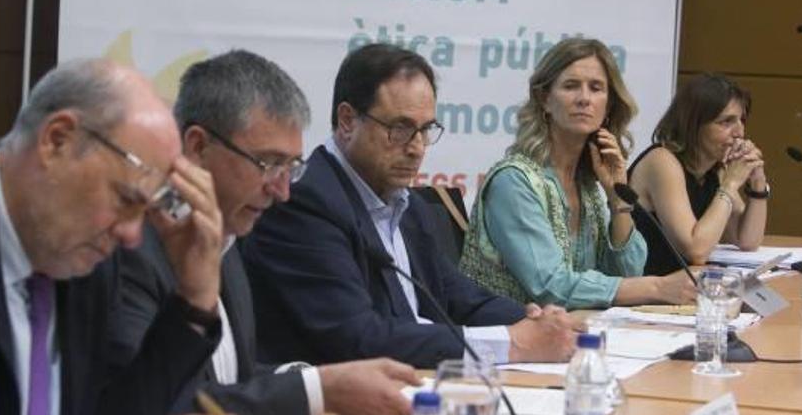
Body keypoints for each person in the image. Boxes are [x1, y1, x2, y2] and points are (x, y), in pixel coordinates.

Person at [110, 50, 420, 415]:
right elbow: (163, 407)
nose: (283, 191)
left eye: (292, 167)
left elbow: (229, 377)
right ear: (197, 147)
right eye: (268, 163)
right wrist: (321, 389)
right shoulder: (132, 251)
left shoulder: (230, 241)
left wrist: (311, 378)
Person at [0, 58, 236, 415]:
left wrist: (195, 298)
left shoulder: (86, 265)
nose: (132, 236)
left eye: (146, 211)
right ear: (57, 140)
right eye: (125, 199)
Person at [242, 43, 579, 369]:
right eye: (400, 128)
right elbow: (358, 338)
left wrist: (536, 322)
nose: (417, 148)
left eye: (425, 130)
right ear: (347, 120)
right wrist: (513, 342)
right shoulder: (304, 202)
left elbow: (457, 296)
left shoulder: (407, 203)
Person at [460, 38, 696, 309]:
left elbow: (627, 275)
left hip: (572, 335)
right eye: (571, 86)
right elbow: (551, 286)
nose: (584, 98)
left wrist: (618, 199)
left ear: (608, 107)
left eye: (596, 88)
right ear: (544, 99)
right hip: (511, 340)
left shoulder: (588, 186)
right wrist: (659, 286)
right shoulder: (514, 181)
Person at [628, 73, 767, 275]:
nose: (739, 133)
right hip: (643, 293)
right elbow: (696, 250)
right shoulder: (662, 162)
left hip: (681, 291)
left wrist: (758, 182)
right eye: (726, 122)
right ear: (694, 124)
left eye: (741, 120)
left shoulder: (714, 169)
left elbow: (747, 240)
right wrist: (730, 184)